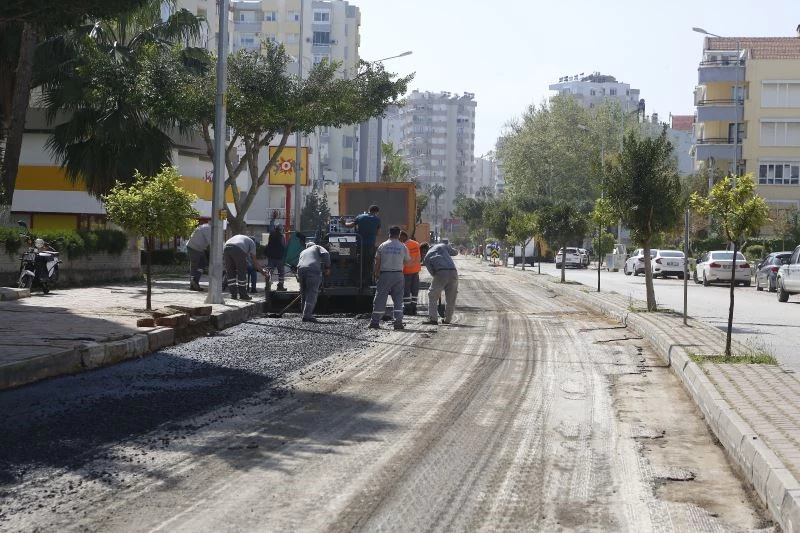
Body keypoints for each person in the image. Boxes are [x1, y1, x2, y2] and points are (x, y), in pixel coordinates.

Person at [369, 225, 411, 330]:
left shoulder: (383, 245)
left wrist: (376, 273)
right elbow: (407, 262)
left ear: (389, 233)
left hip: (385, 274)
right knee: (398, 299)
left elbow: (377, 261)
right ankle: (398, 322)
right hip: (398, 274)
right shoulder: (403, 246)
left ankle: (375, 322)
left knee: (380, 298)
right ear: (399, 234)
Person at [423, 239, 459, 325]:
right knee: (451, 298)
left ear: (424, 250)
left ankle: (433, 318)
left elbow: (433, 273)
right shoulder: (442, 246)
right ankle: (447, 320)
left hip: (440, 272)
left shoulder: (426, 257)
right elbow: (455, 252)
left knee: (432, 295)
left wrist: (438, 287)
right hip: (453, 272)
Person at [342, 205, 381, 285]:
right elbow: (378, 233)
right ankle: (366, 283)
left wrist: (343, 223)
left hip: (360, 244)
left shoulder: (360, 216)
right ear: (377, 212)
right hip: (370, 245)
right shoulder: (377, 219)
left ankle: (354, 281)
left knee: (358, 262)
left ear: (369, 210)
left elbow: (349, 225)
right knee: (368, 264)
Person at [223, 234, 266, 301]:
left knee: (230, 273)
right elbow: (254, 261)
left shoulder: (241, 238)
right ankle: (243, 295)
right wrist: (262, 272)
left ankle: (233, 295)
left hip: (226, 248)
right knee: (241, 272)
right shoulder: (252, 243)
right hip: (238, 249)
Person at [296, 242, 331, 322]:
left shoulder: (303, 252)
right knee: (312, 293)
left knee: (304, 294)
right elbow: (326, 253)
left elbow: (299, 263)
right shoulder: (316, 247)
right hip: (312, 270)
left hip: (300, 270)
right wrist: (327, 267)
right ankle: (307, 316)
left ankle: (304, 314)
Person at [399, 230, 421, 315]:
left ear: (403, 236)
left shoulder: (403, 245)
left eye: (400, 237)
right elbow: (418, 257)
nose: (399, 239)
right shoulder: (416, 244)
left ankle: (407, 308)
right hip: (416, 270)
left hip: (407, 271)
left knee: (406, 290)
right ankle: (414, 308)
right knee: (414, 290)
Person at [186, 222, 211, 291]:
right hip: (194, 248)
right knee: (196, 265)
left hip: (196, 248)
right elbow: (211, 242)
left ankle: (194, 283)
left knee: (201, 263)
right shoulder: (208, 228)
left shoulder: (205, 226)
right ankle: (194, 282)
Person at [264, 225, 287, 291]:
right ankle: (280, 286)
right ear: (281, 229)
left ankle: (267, 286)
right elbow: (284, 246)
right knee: (281, 272)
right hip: (279, 257)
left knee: (269, 272)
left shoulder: (271, 235)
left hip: (271, 257)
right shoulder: (281, 237)